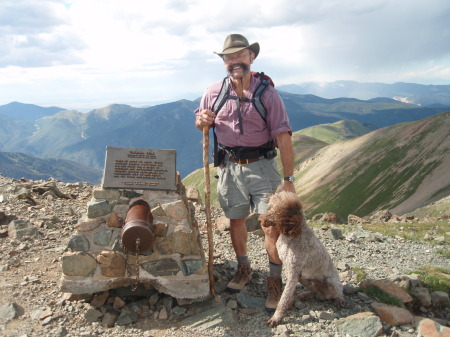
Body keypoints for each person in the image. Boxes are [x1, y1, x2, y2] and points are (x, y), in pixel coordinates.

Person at [194, 33, 296, 312]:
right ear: (223, 62)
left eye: (240, 55)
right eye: (229, 57)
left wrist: (288, 181)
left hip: (263, 167)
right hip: (228, 167)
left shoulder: (268, 94)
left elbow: (284, 136)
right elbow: (201, 120)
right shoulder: (213, 92)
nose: (235, 61)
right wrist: (201, 120)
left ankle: (275, 281)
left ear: (252, 57)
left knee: (270, 225)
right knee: (235, 220)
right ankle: (244, 269)